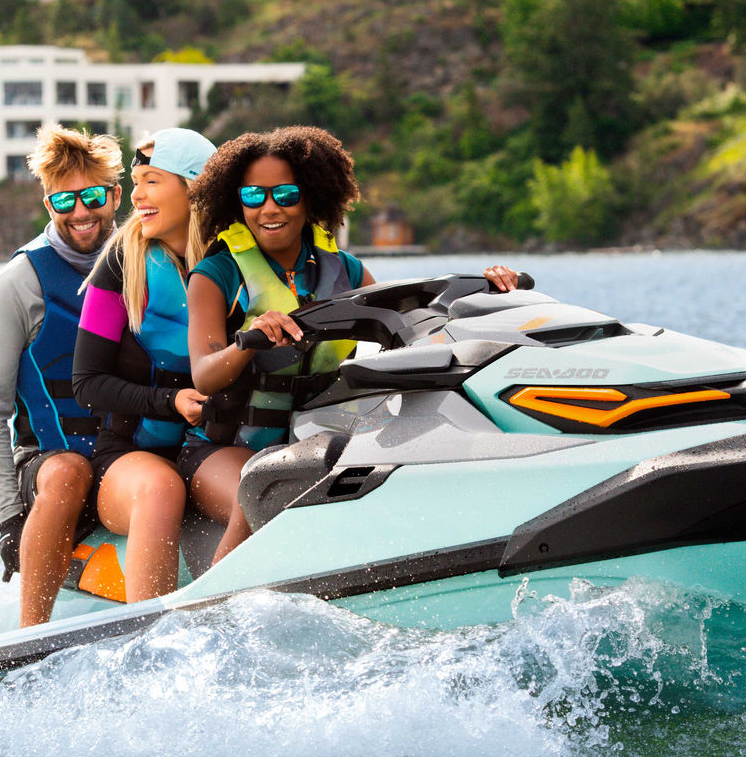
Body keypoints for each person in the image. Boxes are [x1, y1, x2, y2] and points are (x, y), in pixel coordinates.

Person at [184, 125, 517, 494]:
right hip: (225, 446)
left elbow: (417, 329)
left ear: (311, 197)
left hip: (321, 435)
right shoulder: (216, 274)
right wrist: (247, 344)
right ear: (237, 202)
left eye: (286, 194)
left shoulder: (346, 270)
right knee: (264, 496)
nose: (270, 208)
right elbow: (204, 376)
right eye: (253, 196)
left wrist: (489, 291)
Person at [72, 128, 249, 603]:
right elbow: (86, 383)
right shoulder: (120, 264)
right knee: (159, 490)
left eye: (151, 181)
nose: (136, 195)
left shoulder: (242, 265)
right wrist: (168, 401)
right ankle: (152, 647)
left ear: (194, 189)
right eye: (135, 181)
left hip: (210, 450)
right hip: (129, 455)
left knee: (258, 491)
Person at [0, 126, 123, 628]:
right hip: (50, 464)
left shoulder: (147, 261)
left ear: (115, 195)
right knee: (67, 472)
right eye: (64, 200)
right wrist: (9, 518)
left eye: (93, 196)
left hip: (126, 451)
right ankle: (28, 632)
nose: (80, 212)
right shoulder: (16, 285)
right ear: (47, 203)